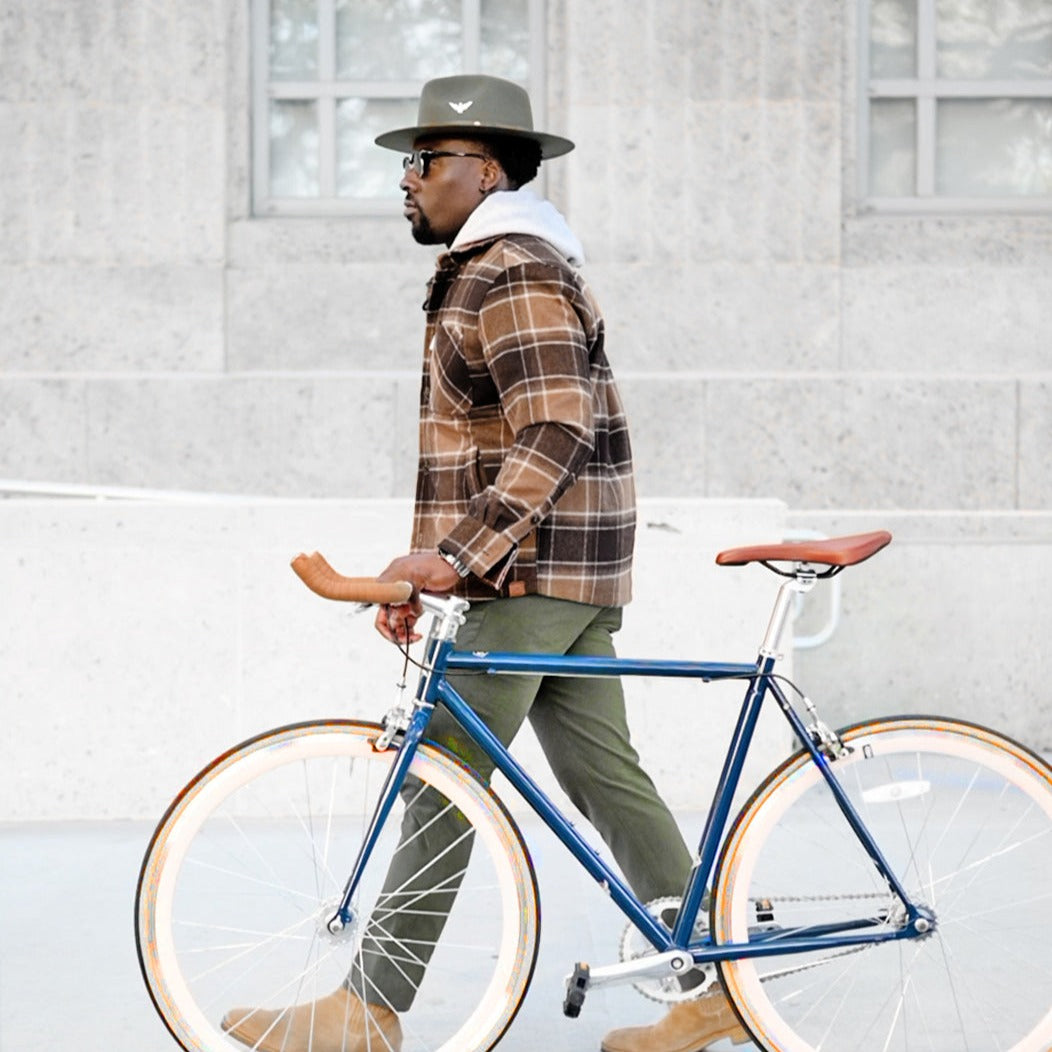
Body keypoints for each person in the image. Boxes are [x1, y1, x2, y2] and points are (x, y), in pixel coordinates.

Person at [222, 74, 748, 1052]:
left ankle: (366, 1008)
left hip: (528, 569)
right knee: (603, 777)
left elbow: (553, 425)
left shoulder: (512, 268)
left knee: (443, 773)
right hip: (545, 567)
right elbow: (502, 436)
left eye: (424, 161)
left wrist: (457, 557)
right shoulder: (500, 263)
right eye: (407, 164)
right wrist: (435, 567)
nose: (406, 180)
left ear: (486, 169)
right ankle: (716, 980)